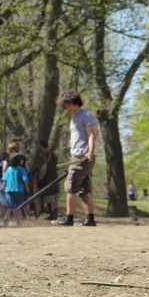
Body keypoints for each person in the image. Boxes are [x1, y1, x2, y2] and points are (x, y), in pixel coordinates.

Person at [53, 89, 98, 227]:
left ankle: (69, 218)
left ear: (73, 103)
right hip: (77, 155)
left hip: (82, 156)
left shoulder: (86, 115)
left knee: (70, 186)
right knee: (84, 189)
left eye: (66, 106)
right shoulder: (74, 118)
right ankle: (90, 219)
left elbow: (92, 134)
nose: (66, 109)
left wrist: (90, 152)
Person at [2, 154, 30, 226]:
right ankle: (18, 222)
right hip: (19, 190)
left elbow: (5, 179)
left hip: (9, 190)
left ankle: (6, 218)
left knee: (10, 206)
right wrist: (27, 188)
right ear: (18, 161)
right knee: (18, 207)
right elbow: (25, 180)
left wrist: (3, 187)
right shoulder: (21, 169)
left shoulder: (8, 169)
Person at [35, 140, 59, 221]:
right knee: (52, 197)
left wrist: (41, 177)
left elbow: (44, 167)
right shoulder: (52, 154)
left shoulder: (46, 155)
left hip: (49, 178)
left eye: (39, 146)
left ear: (42, 146)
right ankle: (52, 214)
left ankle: (53, 214)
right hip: (53, 177)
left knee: (50, 197)